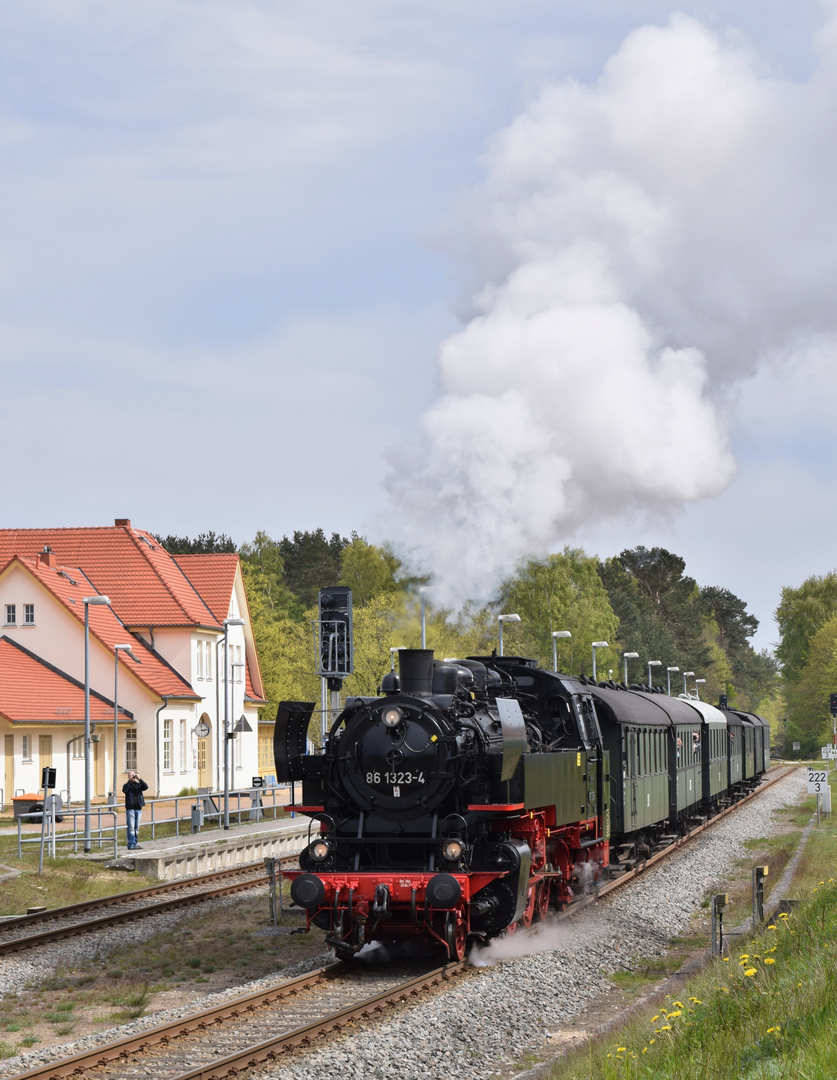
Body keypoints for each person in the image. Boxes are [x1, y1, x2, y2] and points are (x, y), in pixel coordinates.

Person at [122, 770, 148, 851]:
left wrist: (139, 779)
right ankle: (130, 844)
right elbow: (125, 791)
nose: (132, 776)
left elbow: (146, 787)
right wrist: (130, 781)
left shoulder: (138, 785)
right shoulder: (126, 785)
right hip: (130, 809)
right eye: (130, 775)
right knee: (131, 828)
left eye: (133, 775)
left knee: (136, 828)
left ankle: (135, 843)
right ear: (128, 776)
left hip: (138, 809)